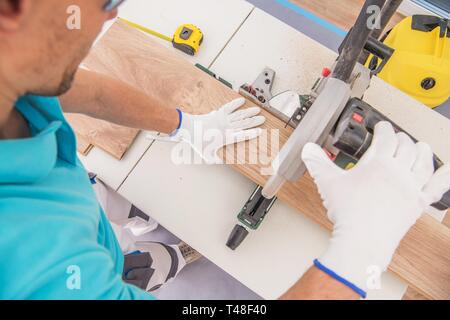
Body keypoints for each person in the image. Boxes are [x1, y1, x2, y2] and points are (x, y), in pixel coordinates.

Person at [0, 0, 449, 300]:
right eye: (108, 1)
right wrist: (360, 253)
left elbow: (85, 92)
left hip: (85, 220)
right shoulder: (36, 262)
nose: (110, 19)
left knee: (131, 248)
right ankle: (163, 260)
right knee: (149, 273)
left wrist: (185, 126)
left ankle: (152, 248)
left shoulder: (17, 72)